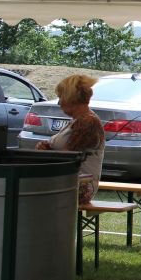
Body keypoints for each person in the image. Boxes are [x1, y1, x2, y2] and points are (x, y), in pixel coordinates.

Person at [36, 74, 105, 204]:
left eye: (60, 97)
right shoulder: (77, 120)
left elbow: (67, 158)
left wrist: (46, 152)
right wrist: (47, 148)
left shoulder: (87, 122)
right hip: (67, 182)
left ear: (71, 98)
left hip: (79, 186)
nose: (59, 103)